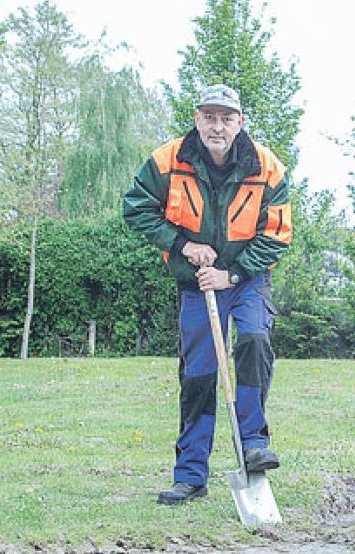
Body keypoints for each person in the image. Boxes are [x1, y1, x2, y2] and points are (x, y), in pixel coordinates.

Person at [123, 83, 292, 505]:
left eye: (226, 117)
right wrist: (184, 246)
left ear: (240, 122)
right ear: (197, 118)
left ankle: (253, 443)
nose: (218, 126)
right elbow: (136, 208)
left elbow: (276, 236)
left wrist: (231, 275)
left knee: (254, 340)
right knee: (199, 371)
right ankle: (191, 474)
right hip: (196, 283)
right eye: (210, 117)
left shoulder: (267, 168)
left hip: (247, 279)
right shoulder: (168, 160)